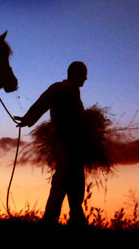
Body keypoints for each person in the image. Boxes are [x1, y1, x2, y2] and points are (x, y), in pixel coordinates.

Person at [14, 61, 88, 225]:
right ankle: (53, 219)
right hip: (63, 141)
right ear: (75, 74)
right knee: (64, 178)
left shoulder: (74, 93)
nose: (85, 79)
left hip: (75, 144)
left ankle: (74, 219)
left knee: (74, 180)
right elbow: (43, 102)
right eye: (83, 75)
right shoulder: (59, 88)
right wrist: (28, 119)